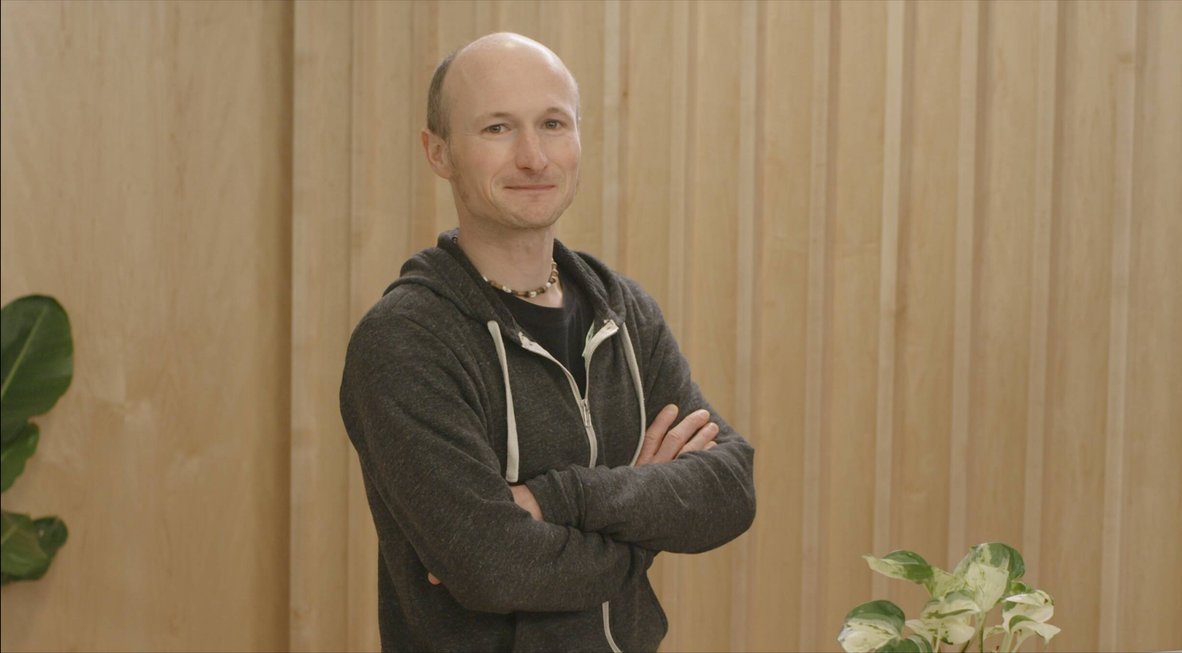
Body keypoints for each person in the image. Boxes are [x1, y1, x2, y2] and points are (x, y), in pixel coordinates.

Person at [340, 32, 755, 652]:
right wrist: (642, 524)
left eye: (553, 124)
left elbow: (727, 489)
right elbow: (491, 566)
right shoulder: (406, 340)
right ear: (439, 152)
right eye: (498, 129)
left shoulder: (624, 311)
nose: (534, 157)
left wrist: (551, 499)